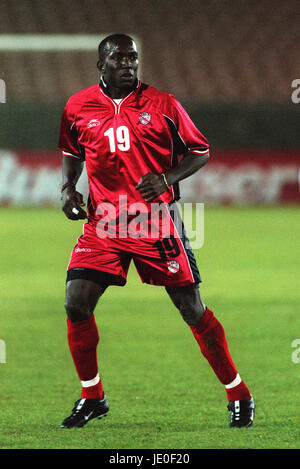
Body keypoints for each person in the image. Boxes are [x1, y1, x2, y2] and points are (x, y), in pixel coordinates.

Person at [58, 33, 255, 429]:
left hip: (155, 223)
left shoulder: (163, 104)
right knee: (75, 301)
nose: (129, 64)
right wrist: (67, 188)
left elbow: (200, 150)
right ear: (102, 65)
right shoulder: (78, 106)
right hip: (104, 223)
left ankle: (239, 394)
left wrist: (167, 177)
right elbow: (72, 152)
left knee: (191, 309)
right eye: (119, 59)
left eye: (133, 58)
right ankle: (92, 395)